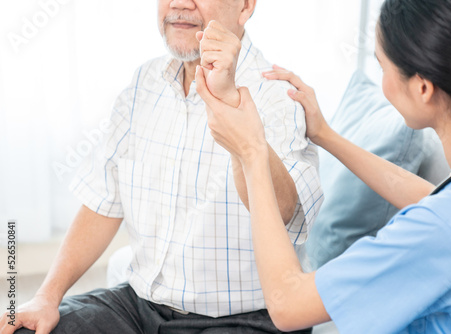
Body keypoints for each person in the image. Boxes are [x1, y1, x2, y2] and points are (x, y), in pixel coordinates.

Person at [1, 1, 322, 333]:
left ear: (244, 6)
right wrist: (46, 296)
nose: (179, 3)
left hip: (248, 318)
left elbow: (288, 212)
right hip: (140, 307)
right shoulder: (144, 82)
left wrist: (231, 104)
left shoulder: (278, 92)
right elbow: (103, 201)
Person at [195, 0, 451, 332]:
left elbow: (287, 304)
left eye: (382, 68)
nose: (382, 80)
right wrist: (325, 135)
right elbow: (433, 198)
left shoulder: (440, 232)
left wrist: (251, 150)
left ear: (423, 87)